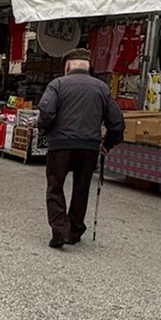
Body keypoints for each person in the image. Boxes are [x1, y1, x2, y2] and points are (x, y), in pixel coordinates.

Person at [38, 48, 125, 248]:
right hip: (89, 147)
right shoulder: (102, 88)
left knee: (55, 187)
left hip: (60, 145)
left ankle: (60, 230)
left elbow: (46, 112)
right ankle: (75, 230)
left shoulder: (57, 84)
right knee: (81, 188)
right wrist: (108, 144)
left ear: (67, 66)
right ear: (88, 66)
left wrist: (45, 130)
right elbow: (117, 122)